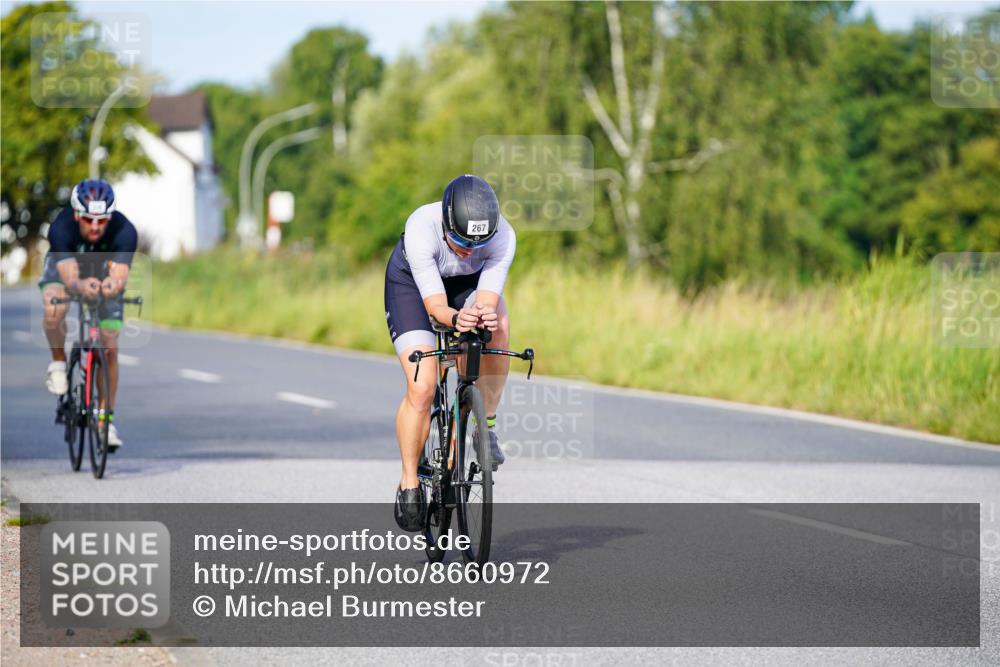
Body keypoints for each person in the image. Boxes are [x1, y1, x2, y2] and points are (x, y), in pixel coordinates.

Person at [384, 175, 516, 531]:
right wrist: (458, 319)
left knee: (498, 324)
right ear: (445, 224)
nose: (468, 251)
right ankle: (410, 480)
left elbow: (487, 298)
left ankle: (484, 424)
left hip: (466, 288)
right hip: (415, 288)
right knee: (423, 386)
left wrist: (480, 316)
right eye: (459, 241)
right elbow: (436, 309)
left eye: (478, 245)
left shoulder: (504, 236)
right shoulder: (421, 229)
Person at [40, 179, 138, 450]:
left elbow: (119, 276)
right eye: (88, 219)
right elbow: (70, 279)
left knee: (110, 348)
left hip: (101, 272)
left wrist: (111, 285)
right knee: (54, 309)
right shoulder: (61, 229)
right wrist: (81, 286)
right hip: (65, 267)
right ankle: (58, 361)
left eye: (102, 220)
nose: (95, 227)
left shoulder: (125, 231)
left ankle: (105, 420)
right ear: (76, 215)